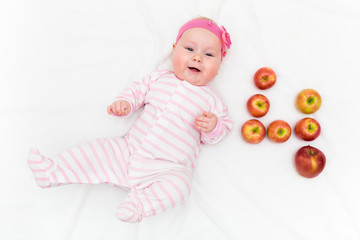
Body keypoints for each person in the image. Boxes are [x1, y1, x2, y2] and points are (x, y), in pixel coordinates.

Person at [27, 17, 232, 223]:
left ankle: (140, 204)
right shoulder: (159, 79)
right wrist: (125, 103)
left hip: (167, 168)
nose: (197, 58)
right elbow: (137, 91)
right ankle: (53, 172)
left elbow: (221, 132)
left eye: (208, 54)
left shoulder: (212, 100)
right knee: (98, 150)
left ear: (219, 66)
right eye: (189, 49)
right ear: (173, 50)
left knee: (180, 187)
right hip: (128, 150)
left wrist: (213, 127)